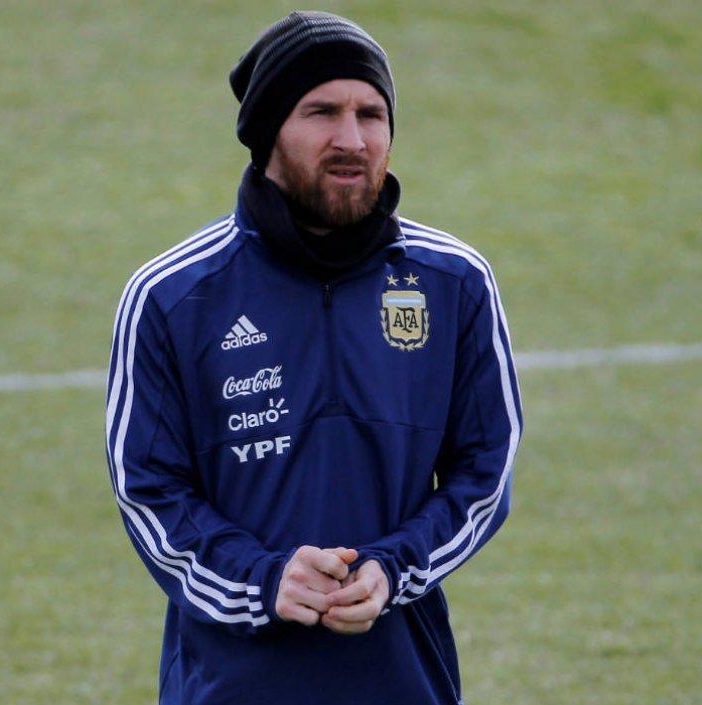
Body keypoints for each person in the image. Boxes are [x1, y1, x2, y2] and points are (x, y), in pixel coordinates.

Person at [104, 11, 522, 705]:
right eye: (322, 111)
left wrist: (395, 567)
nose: (352, 138)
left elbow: (487, 471)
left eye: (372, 113)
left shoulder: (454, 282)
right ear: (270, 132)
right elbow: (149, 491)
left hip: (403, 683)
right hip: (228, 688)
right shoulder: (173, 296)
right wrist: (265, 579)